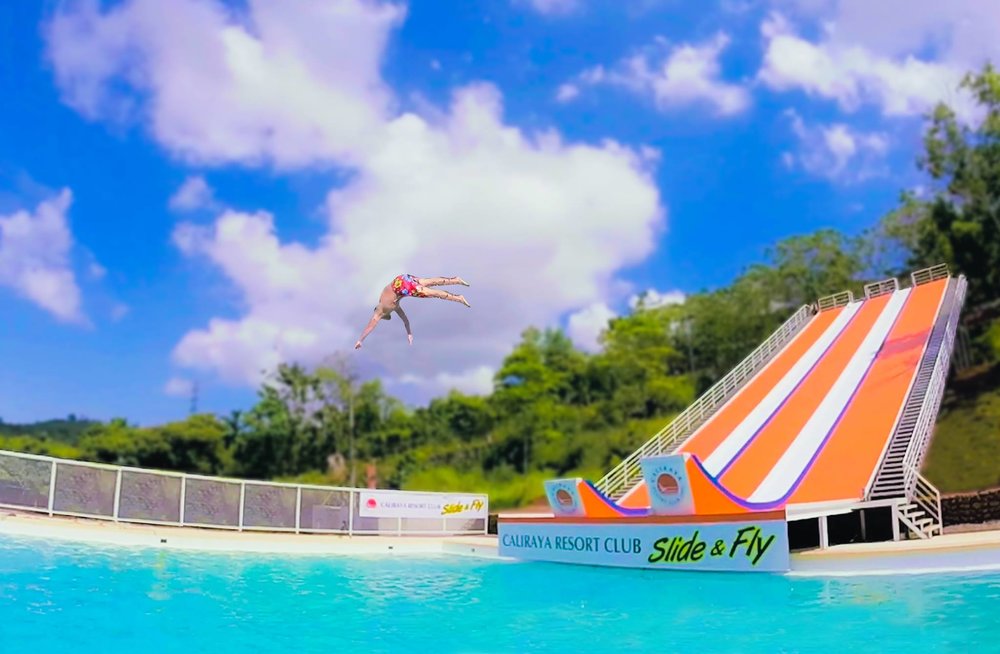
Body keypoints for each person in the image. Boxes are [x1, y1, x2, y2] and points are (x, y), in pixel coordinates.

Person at [354, 274, 470, 349]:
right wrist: (409, 333)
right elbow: (405, 320)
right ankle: (456, 279)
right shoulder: (394, 306)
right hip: (402, 279)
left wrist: (360, 340)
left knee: (433, 293)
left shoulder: (379, 312)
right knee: (430, 281)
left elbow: (370, 327)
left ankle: (458, 298)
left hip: (402, 286)